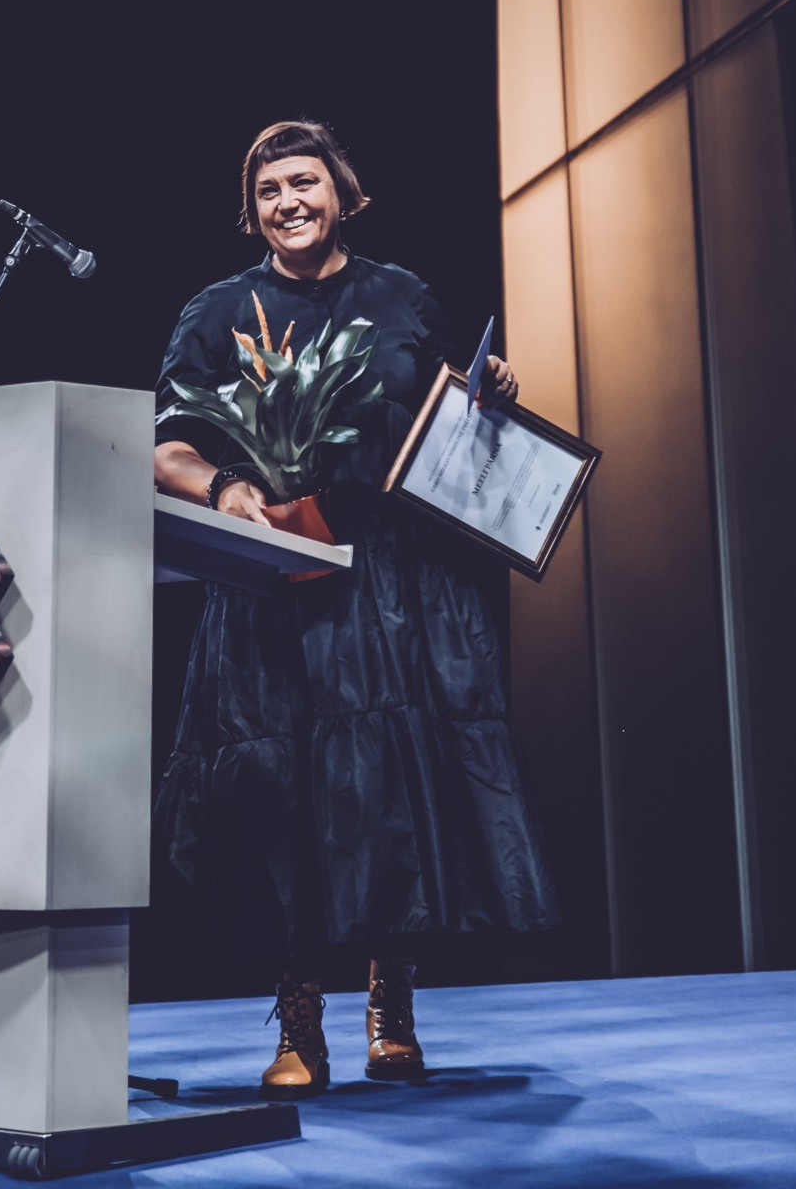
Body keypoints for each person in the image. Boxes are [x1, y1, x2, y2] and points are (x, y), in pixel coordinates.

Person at [153, 119, 557, 1097]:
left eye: (304, 183)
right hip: (277, 576)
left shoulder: (401, 296)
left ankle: (391, 1011)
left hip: (390, 583)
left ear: (341, 192)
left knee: (390, 795)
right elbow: (168, 448)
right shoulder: (218, 311)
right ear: (250, 211)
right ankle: (299, 1020)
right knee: (284, 796)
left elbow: (444, 417)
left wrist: (492, 389)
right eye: (268, 191)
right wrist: (224, 489)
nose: (287, 202)